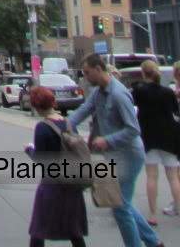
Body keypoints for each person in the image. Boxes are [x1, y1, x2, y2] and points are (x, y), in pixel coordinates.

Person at [68, 53, 165, 247]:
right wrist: (63, 125)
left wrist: (107, 139)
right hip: (114, 155)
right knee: (121, 203)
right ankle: (153, 242)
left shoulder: (119, 94)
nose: (85, 77)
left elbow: (133, 128)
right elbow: (84, 110)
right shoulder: (98, 92)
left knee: (120, 206)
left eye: (87, 73)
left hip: (129, 155)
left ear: (98, 69)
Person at [25, 84, 88, 247]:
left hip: (52, 185)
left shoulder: (42, 127)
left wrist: (30, 150)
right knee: (74, 230)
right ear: (52, 102)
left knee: (38, 229)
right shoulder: (69, 124)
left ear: (36, 106)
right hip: (72, 184)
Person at [133, 59, 180, 223]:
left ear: (143, 73)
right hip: (169, 136)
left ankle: (153, 214)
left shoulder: (139, 91)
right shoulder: (167, 92)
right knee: (173, 177)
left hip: (148, 136)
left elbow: (135, 104)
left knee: (151, 176)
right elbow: (176, 111)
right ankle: (179, 210)